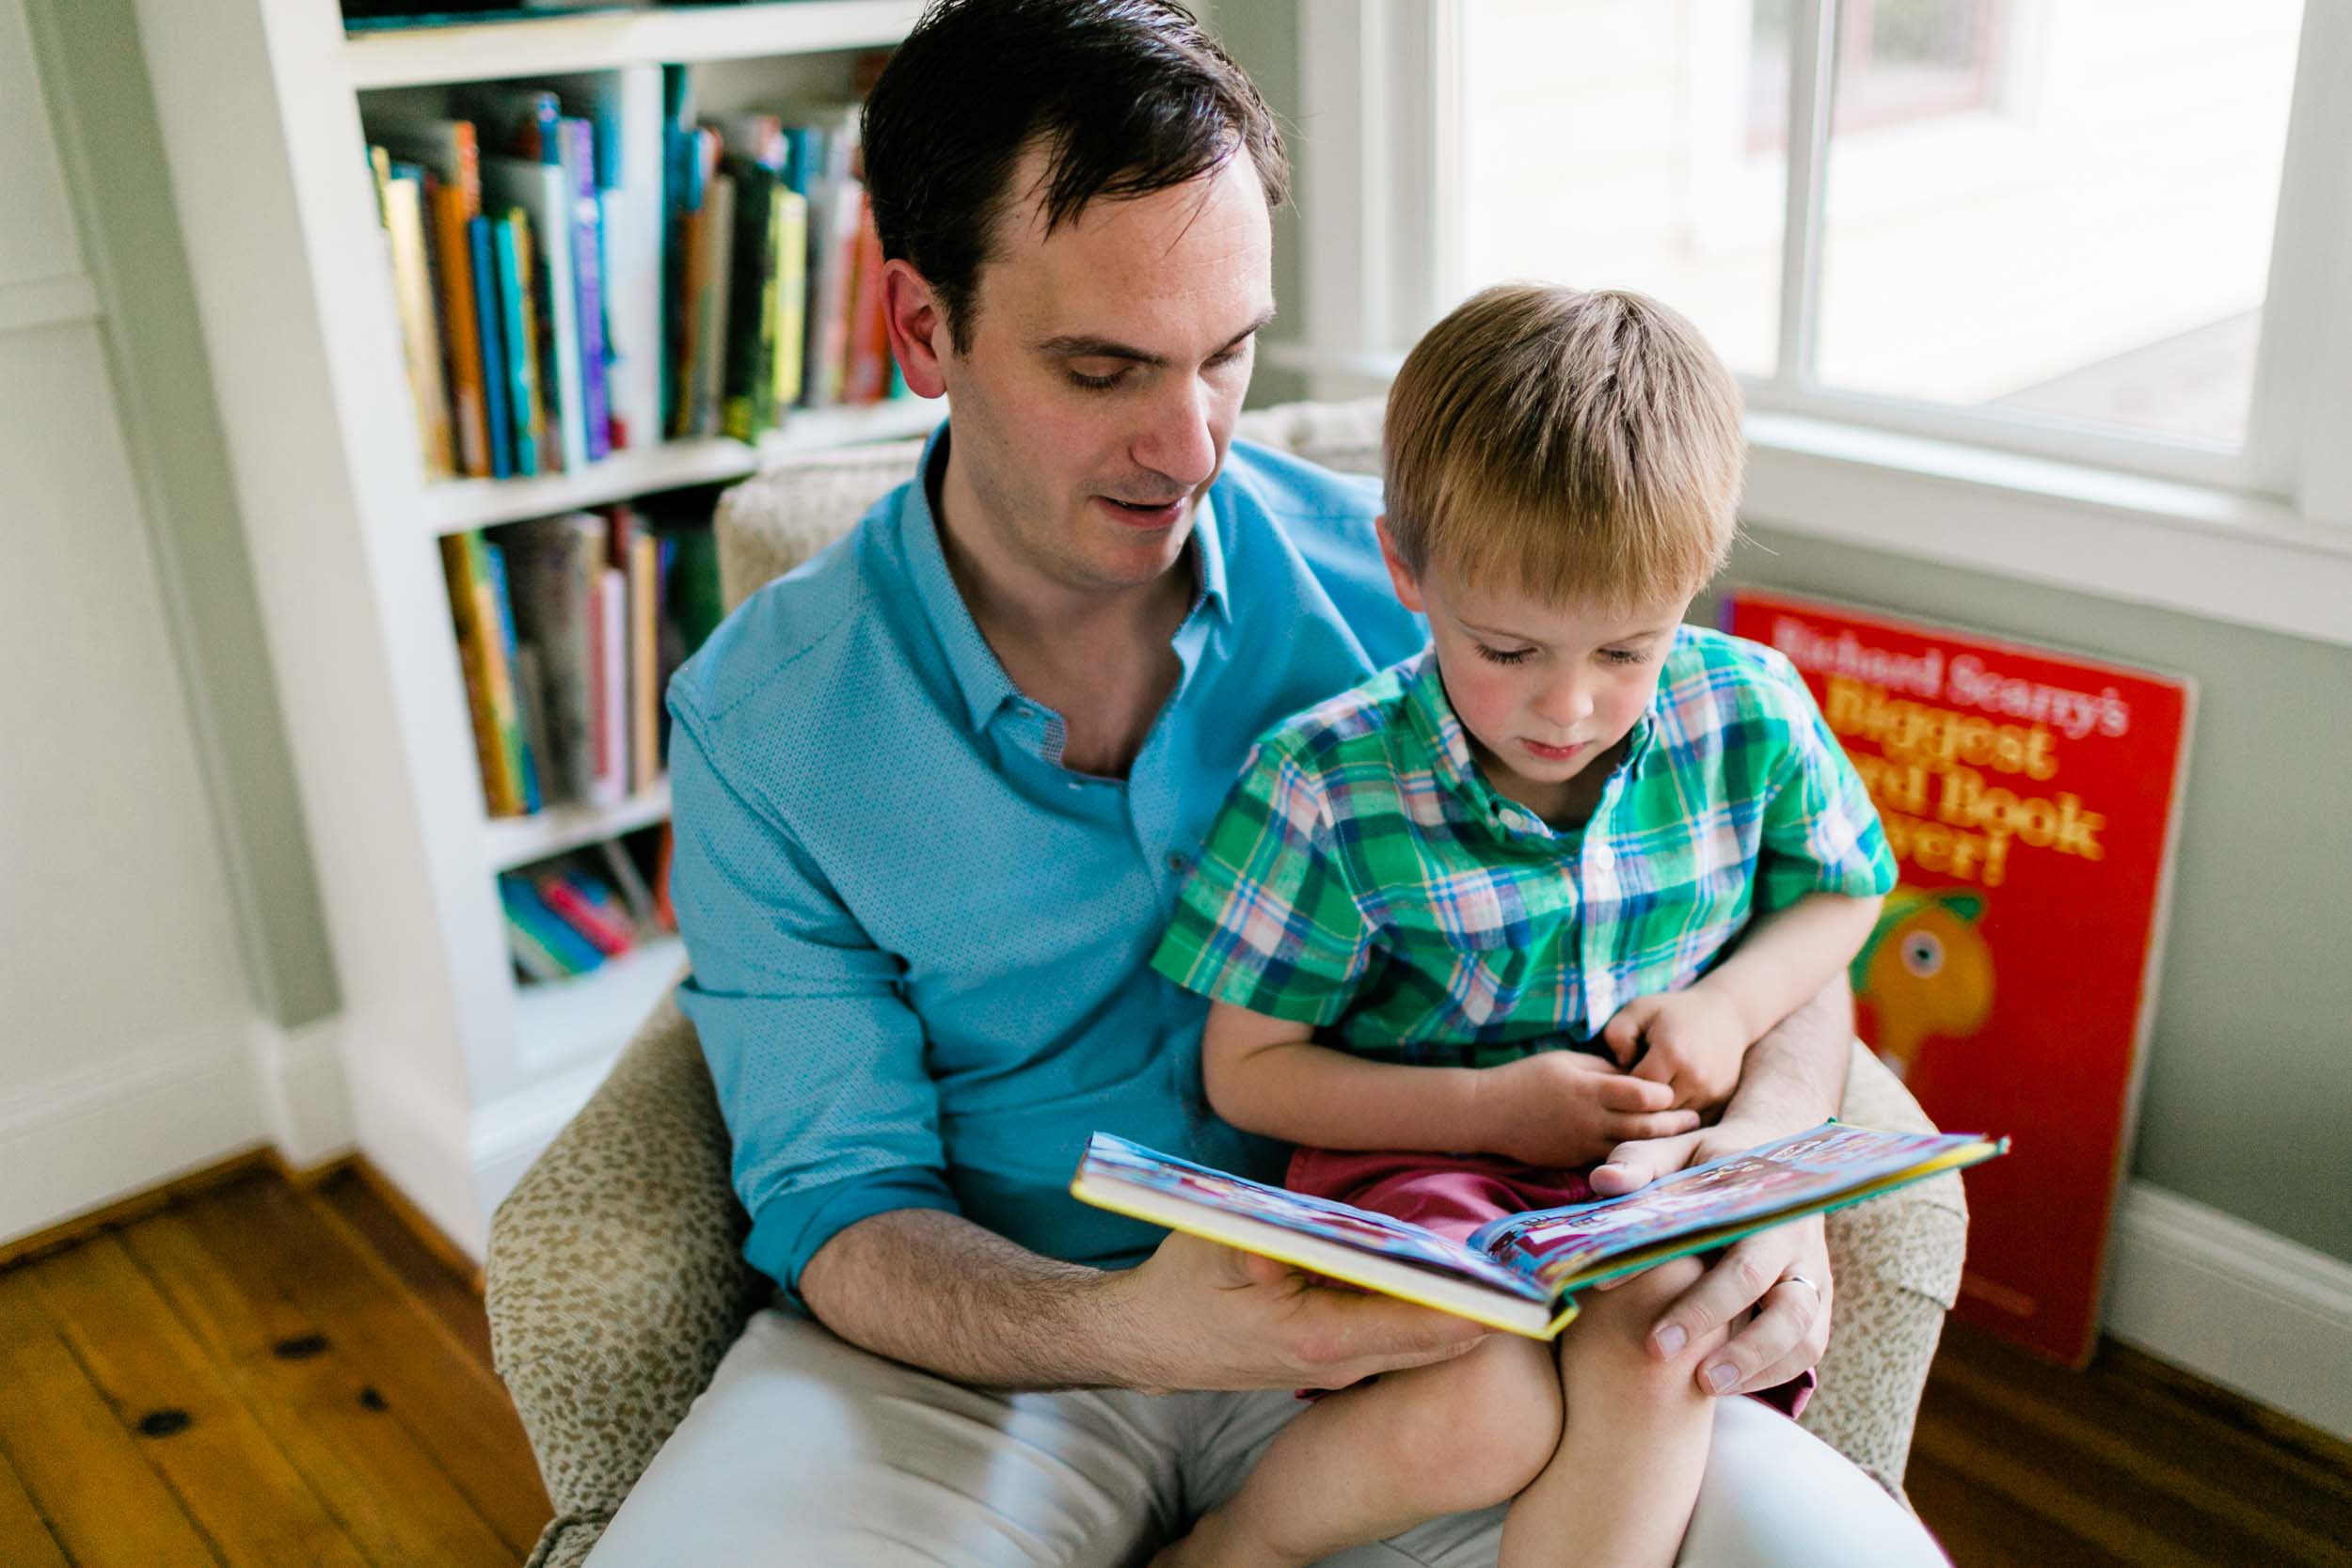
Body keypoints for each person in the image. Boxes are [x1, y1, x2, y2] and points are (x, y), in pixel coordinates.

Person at [582, 3, 1951, 1562]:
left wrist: (1764, 1164)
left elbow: (1751, 909)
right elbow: (840, 1200)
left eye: (1226, 355)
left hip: (1454, 1322)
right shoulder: (768, 722)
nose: (1188, 444)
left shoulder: (1464, 603)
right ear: (921, 326)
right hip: (1000, 1349)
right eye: (1102, 367)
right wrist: (1129, 1328)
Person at [1145, 282, 1896, 1568]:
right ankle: (1232, 1548)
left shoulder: (1750, 710)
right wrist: (1496, 1113)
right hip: (1423, 1175)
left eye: (1625, 650)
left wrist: (1725, 1006)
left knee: (1666, 1336)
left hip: (1642, 1187)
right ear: (1406, 572)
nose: (1569, 706)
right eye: (1508, 649)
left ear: (1690, 588)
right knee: (1484, 1410)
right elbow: (1248, 1071)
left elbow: (1844, 887)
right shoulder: (1326, 783)